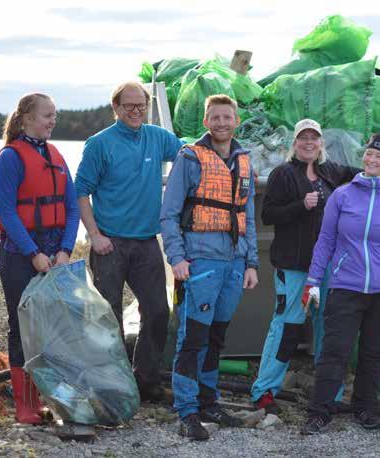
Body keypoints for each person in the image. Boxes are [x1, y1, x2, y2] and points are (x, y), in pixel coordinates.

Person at [75, 81, 184, 402]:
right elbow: (80, 191)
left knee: (158, 311)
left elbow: (189, 154)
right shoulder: (99, 144)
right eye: (129, 106)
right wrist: (94, 236)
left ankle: (146, 381)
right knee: (109, 317)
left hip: (147, 242)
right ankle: (113, 385)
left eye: (141, 106)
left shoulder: (157, 138)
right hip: (110, 244)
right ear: (116, 109)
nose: (136, 112)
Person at [300, 133, 380, 435]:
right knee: (334, 350)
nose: (371, 159)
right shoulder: (342, 195)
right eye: (369, 154)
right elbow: (325, 240)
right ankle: (320, 411)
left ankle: (365, 408)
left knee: (374, 353)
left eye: (379, 156)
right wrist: (313, 280)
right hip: (345, 286)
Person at [160, 94, 259, 441]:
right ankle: (187, 412)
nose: (221, 123)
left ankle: (208, 400)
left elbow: (247, 218)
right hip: (200, 261)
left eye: (226, 117)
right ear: (206, 122)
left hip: (234, 263)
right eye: (214, 117)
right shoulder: (189, 158)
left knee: (216, 338)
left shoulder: (244, 161)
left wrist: (251, 263)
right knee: (193, 339)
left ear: (236, 121)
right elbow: (169, 214)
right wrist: (177, 259)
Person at [250, 119, 359, 414]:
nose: (309, 143)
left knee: (328, 327)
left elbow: (363, 174)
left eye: (314, 138)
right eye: (303, 138)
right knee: (287, 325)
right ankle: (264, 391)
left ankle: (329, 394)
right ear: (294, 144)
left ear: (321, 143)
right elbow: (269, 213)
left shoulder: (331, 172)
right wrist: (301, 205)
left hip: (327, 266)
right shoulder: (283, 174)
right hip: (294, 265)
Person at [0, 93, 80, 424]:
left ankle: (45, 399)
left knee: (51, 329)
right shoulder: (9, 158)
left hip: (55, 254)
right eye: (47, 115)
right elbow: (7, 211)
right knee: (21, 327)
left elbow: (72, 207)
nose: (52, 121)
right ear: (26, 117)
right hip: (20, 253)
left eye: (55, 116)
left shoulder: (56, 154)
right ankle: (24, 407)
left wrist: (65, 250)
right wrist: (33, 253)